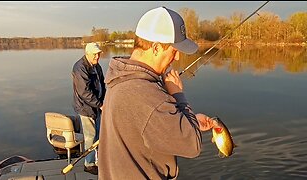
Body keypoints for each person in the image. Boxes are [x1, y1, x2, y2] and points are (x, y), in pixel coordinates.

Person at [98, 6, 220, 179]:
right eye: (174, 50)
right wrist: (178, 95)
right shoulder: (148, 96)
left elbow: (146, 126)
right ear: (155, 48)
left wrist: (186, 121)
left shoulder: (119, 78)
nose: (177, 58)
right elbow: (192, 145)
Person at [71, 42, 106, 175]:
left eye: (99, 54)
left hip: (96, 107)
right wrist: (101, 105)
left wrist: (105, 100)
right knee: (90, 137)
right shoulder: (80, 68)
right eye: (95, 54)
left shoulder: (97, 66)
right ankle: (89, 164)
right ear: (87, 54)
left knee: (98, 135)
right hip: (86, 109)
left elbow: (102, 84)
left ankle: (97, 161)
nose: (97, 57)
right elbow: (84, 92)